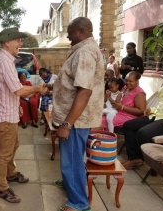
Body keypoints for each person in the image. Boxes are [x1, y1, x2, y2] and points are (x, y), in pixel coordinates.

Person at [46, 17, 104, 211]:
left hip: (76, 120)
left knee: (71, 160)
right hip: (75, 117)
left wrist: (67, 124)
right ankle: (70, 183)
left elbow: (84, 91)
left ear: (80, 32)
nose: (69, 37)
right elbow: (73, 83)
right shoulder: (82, 49)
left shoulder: (85, 52)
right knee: (71, 157)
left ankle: (79, 202)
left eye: (70, 33)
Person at [0, 27, 47, 203]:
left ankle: (11, 173)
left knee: (14, 145)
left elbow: (8, 89)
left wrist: (16, 106)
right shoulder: (4, 61)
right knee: (5, 153)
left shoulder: (4, 59)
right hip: (5, 114)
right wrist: (36, 88)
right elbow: (18, 89)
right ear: (7, 42)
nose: (20, 43)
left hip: (8, 110)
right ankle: (2, 188)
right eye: (18, 40)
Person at [122, 67, 163, 169]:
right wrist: (151, 110)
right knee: (128, 125)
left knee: (143, 133)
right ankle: (134, 158)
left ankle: (144, 160)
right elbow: (162, 106)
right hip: (156, 115)